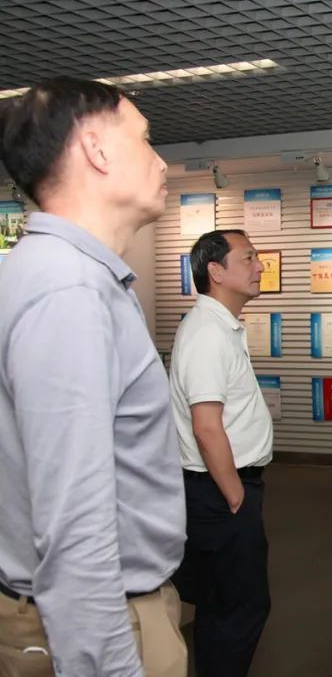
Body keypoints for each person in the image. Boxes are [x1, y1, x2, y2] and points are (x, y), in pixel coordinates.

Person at [0, 77, 187, 675]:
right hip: (104, 626)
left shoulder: (57, 275)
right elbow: (74, 526)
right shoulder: (69, 290)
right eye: (145, 138)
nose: (162, 161)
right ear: (96, 150)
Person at [169, 229, 273, 676]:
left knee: (222, 606)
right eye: (248, 258)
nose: (259, 266)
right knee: (240, 608)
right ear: (215, 271)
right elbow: (207, 427)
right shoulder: (207, 333)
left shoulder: (220, 327)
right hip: (218, 494)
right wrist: (235, 496)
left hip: (219, 491)